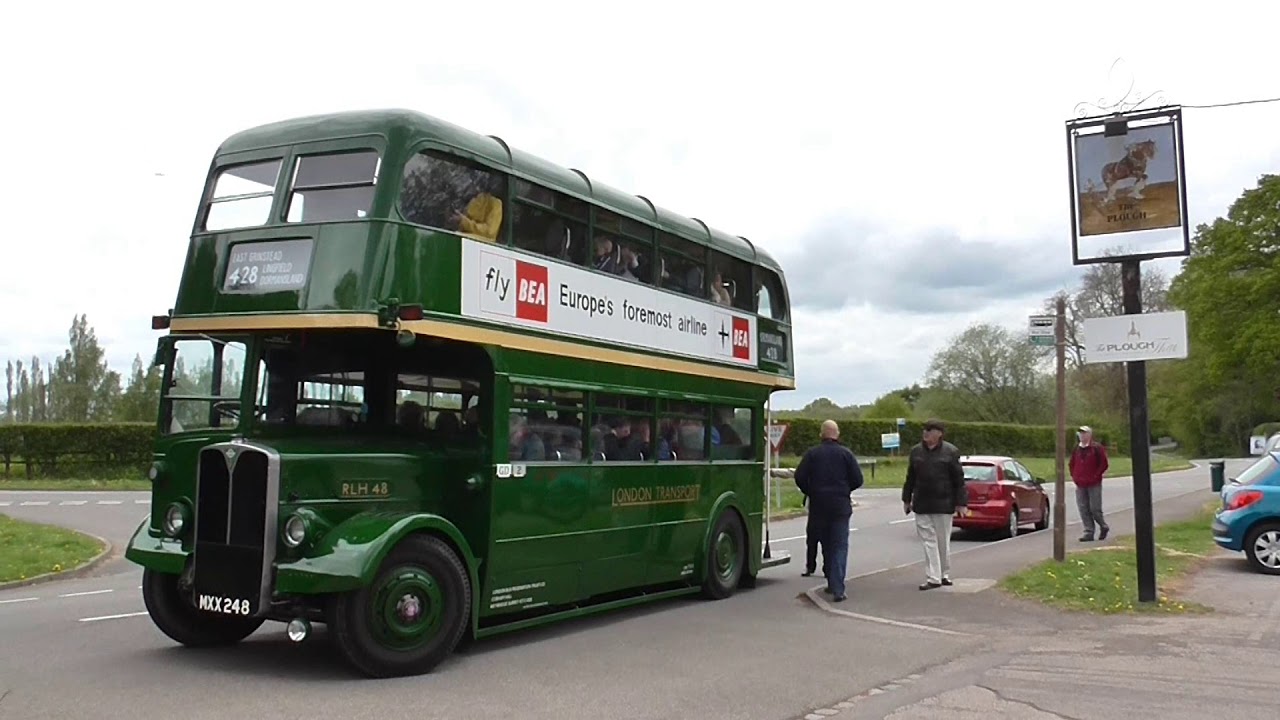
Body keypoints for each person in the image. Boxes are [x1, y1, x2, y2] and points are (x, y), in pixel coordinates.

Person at [794, 420, 864, 601]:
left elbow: (799, 476)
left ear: (821, 434)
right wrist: (845, 490)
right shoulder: (846, 454)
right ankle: (838, 588)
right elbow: (858, 479)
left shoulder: (812, 454)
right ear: (837, 434)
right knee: (839, 546)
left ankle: (831, 583)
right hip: (840, 506)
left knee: (826, 543)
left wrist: (810, 490)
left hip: (819, 506)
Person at [901, 419, 967, 591]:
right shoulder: (916, 452)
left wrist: (961, 503)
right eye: (924, 430)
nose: (926, 433)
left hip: (944, 503)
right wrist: (906, 499)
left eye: (930, 430)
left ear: (939, 433)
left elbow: (958, 480)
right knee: (928, 541)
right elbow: (910, 477)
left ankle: (944, 573)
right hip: (922, 503)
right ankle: (933, 577)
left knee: (942, 540)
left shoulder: (950, 452)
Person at [1069, 425, 1110, 541]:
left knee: (1094, 508)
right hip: (1080, 484)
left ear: (1089, 435)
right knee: (1083, 508)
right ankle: (1089, 531)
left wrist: (1095, 476)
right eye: (1080, 433)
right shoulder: (1076, 448)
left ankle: (1103, 525)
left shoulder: (1096, 448)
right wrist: (1075, 476)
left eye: (1084, 433)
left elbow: (1104, 464)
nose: (1082, 435)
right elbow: (1072, 464)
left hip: (1094, 483)